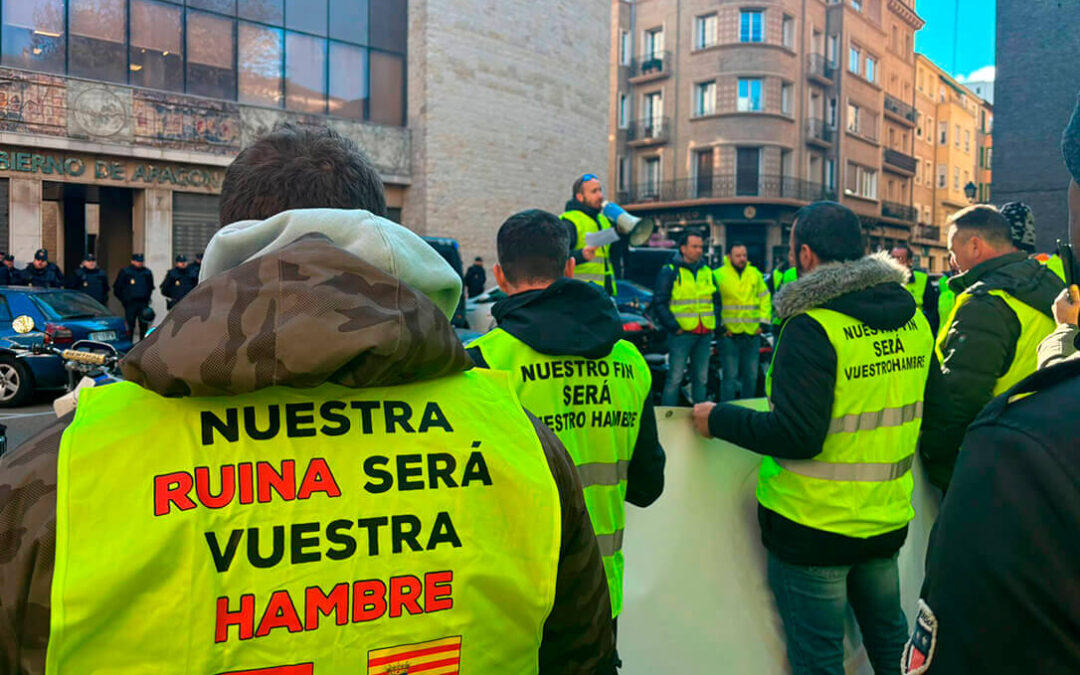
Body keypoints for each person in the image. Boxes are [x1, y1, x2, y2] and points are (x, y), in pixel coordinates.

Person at [0, 124, 615, 675]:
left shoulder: (64, 470)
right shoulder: (520, 441)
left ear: (229, 243)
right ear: (385, 236)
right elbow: (581, 657)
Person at [691, 201, 934, 675]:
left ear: (803, 255)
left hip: (812, 527)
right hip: (884, 521)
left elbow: (797, 434)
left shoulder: (811, 326)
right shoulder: (914, 320)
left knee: (819, 658)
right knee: (891, 643)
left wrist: (718, 418)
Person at [466, 210, 664, 657]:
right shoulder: (629, 361)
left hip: (508, 600)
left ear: (499, 274)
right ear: (570, 267)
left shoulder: (482, 364)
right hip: (598, 596)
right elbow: (648, 487)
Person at [920, 205, 1063, 491]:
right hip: (1041, 448)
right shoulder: (1045, 280)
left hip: (993, 463)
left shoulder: (985, 303)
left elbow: (960, 400)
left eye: (952, 250)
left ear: (974, 245)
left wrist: (936, 463)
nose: (951, 261)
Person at [652, 232, 721, 406]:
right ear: (683, 249)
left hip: (704, 332)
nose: (699, 251)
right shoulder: (670, 271)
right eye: (695, 246)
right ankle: (667, 418)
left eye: (701, 247)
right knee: (674, 378)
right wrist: (674, 327)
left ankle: (700, 418)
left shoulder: (707, 271)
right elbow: (659, 302)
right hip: (681, 334)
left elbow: (717, 300)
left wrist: (715, 323)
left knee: (701, 379)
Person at [714, 243, 771, 401]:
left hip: (751, 333)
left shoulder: (755, 274)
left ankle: (748, 410)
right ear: (729, 257)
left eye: (744, 255)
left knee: (751, 376)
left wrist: (763, 323)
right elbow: (713, 304)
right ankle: (727, 411)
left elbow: (765, 298)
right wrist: (720, 328)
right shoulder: (718, 275)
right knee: (729, 377)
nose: (742, 259)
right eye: (738, 256)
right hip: (729, 334)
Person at [561, 173, 617, 294]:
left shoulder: (604, 220)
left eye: (600, 191)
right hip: (580, 294)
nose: (600, 196)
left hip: (605, 294)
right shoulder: (569, 220)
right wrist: (581, 255)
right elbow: (556, 258)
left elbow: (612, 256)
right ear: (580, 197)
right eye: (594, 192)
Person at [890, 244, 940, 336]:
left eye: (900, 258)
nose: (894, 262)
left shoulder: (923, 279)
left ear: (909, 261)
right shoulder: (883, 280)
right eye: (892, 258)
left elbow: (933, 312)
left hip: (917, 333)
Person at [114, 253, 154, 339]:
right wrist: (124, 300)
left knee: (143, 326)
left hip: (143, 303)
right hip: (130, 303)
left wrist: (147, 298)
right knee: (130, 326)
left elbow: (150, 287)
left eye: (141, 261)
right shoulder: (126, 272)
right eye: (137, 261)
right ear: (132, 261)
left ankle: (143, 346)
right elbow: (117, 287)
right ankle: (129, 346)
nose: (139, 263)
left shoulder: (147, 272)